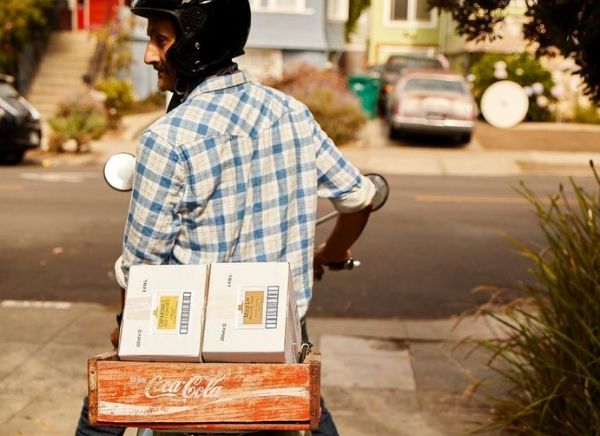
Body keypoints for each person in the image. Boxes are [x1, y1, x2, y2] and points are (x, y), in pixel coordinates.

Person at [75, 0, 375, 435]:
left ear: (197, 42)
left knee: (98, 417)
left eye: (160, 40)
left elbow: (141, 270)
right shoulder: (291, 113)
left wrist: (127, 333)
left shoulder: (167, 139)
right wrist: (332, 249)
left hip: (191, 358)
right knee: (303, 407)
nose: (149, 55)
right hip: (278, 345)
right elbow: (358, 198)